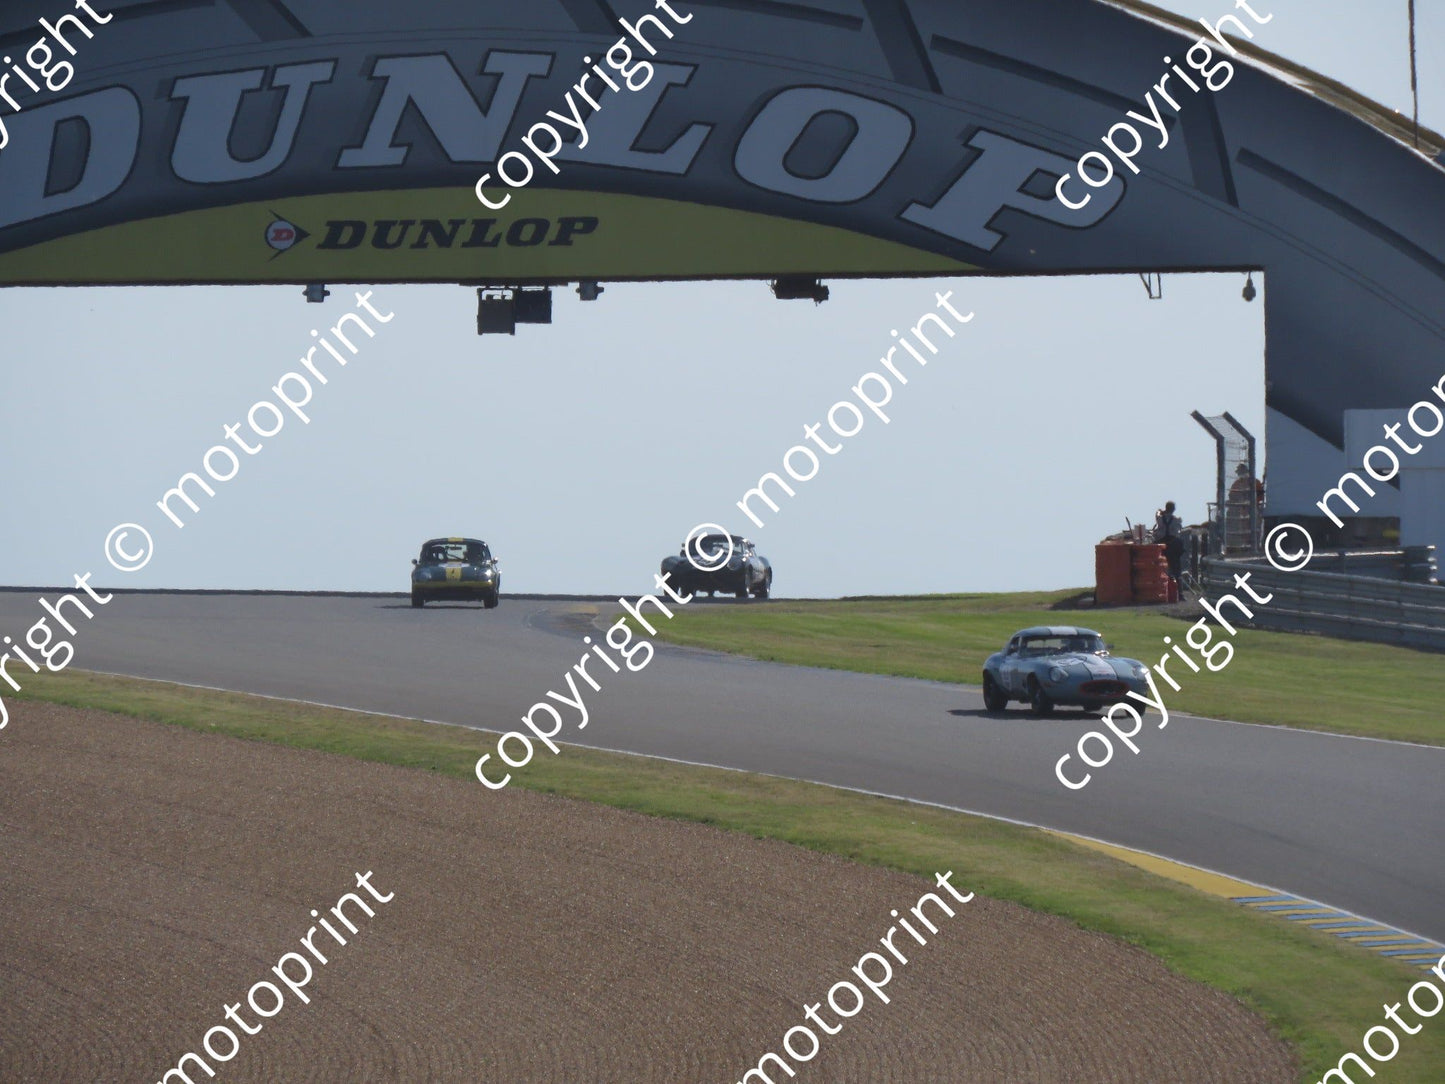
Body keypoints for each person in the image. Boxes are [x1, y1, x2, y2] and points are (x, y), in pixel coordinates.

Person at [1153, 500, 1184, 581]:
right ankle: (1178, 588)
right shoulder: (1177, 520)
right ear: (1173, 509)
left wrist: (1161, 512)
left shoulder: (1160, 519)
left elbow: (1157, 514)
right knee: (1176, 568)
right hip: (1173, 545)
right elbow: (1179, 530)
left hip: (1162, 544)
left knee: (1161, 565)